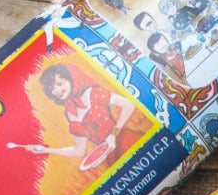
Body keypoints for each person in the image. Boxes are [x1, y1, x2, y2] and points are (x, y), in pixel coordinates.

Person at [8, 64, 146, 173]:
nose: (57, 90)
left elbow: (129, 104)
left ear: (71, 79)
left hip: (127, 141)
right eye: (52, 88)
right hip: (110, 156)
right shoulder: (70, 115)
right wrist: (45, 150)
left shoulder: (92, 93)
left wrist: (114, 134)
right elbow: (79, 150)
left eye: (60, 83)